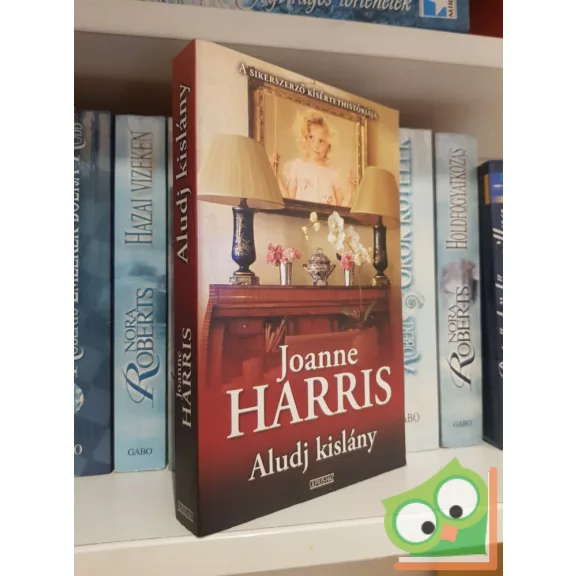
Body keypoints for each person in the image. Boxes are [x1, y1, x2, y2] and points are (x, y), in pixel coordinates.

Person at [269, 110, 356, 206]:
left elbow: (340, 207)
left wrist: (351, 189)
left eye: (321, 141)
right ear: (305, 139)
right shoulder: (297, 166)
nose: (316, 145)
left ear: (328, 145)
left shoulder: (333, 174)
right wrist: (277, 176)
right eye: (311, 138)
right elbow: (289, 199)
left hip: (326, 216)